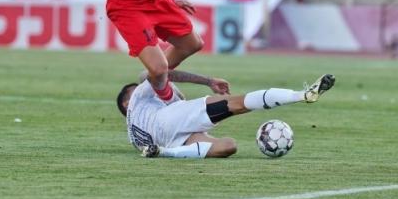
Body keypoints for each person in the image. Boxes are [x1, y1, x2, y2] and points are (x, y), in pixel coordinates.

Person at [117, 71, 336, 158]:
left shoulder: (133, 135)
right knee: (238, 103)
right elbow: (157, 71)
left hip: (167, 138)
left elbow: (178, 102)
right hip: (169, 120)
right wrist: (208, 81)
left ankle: (163, 153)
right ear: (127, 101)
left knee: (228, 145)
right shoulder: (137, 97)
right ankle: (302, 95)